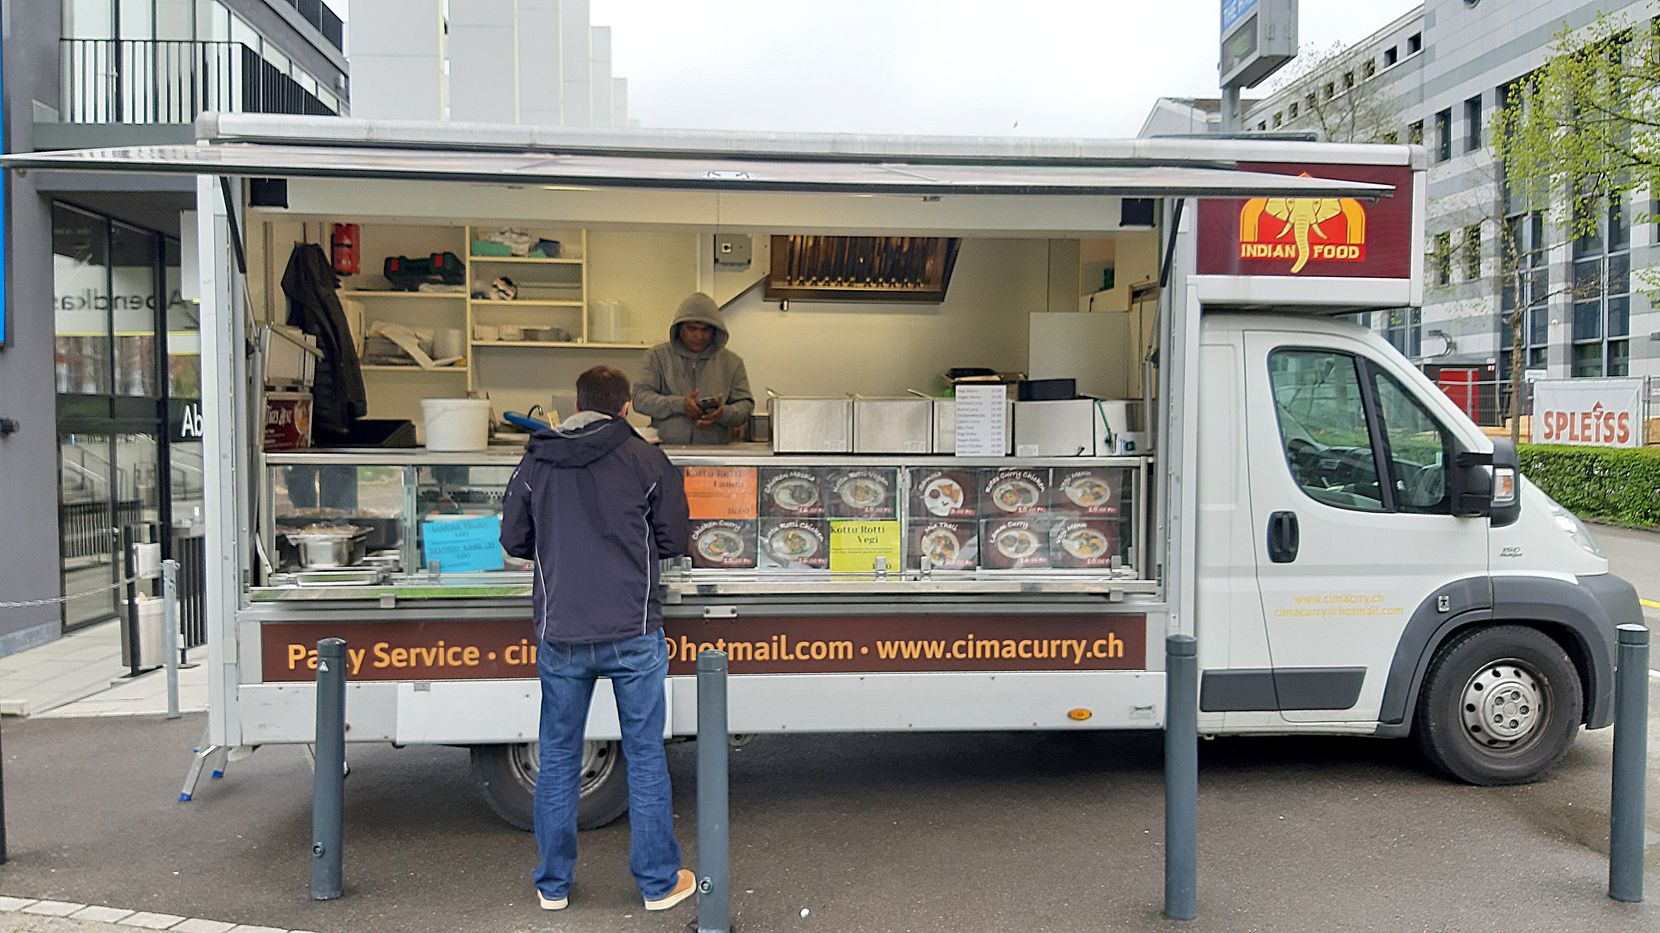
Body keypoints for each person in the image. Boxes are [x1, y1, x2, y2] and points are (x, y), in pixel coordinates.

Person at [499, 365, 695, 914]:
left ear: (575, 405)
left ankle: (553, 884)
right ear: (626, 407)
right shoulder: (646, 459)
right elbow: (674, 538)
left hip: (561, 632)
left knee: (558, 756)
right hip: (633, 631)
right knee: (645, 755)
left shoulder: (538, 460)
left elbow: (514, 539)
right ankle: (658, 883)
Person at [632, 292, 755, 444]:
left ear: (715, 330)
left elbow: (745, 406)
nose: (699, 336)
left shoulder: (732, 363)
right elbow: (639, 399)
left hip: (715, 455)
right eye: (692, 329)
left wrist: (723, 413)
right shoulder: (657, 357)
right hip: (665, 453)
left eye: (705, 330)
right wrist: (679, 405)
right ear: (679, 329)